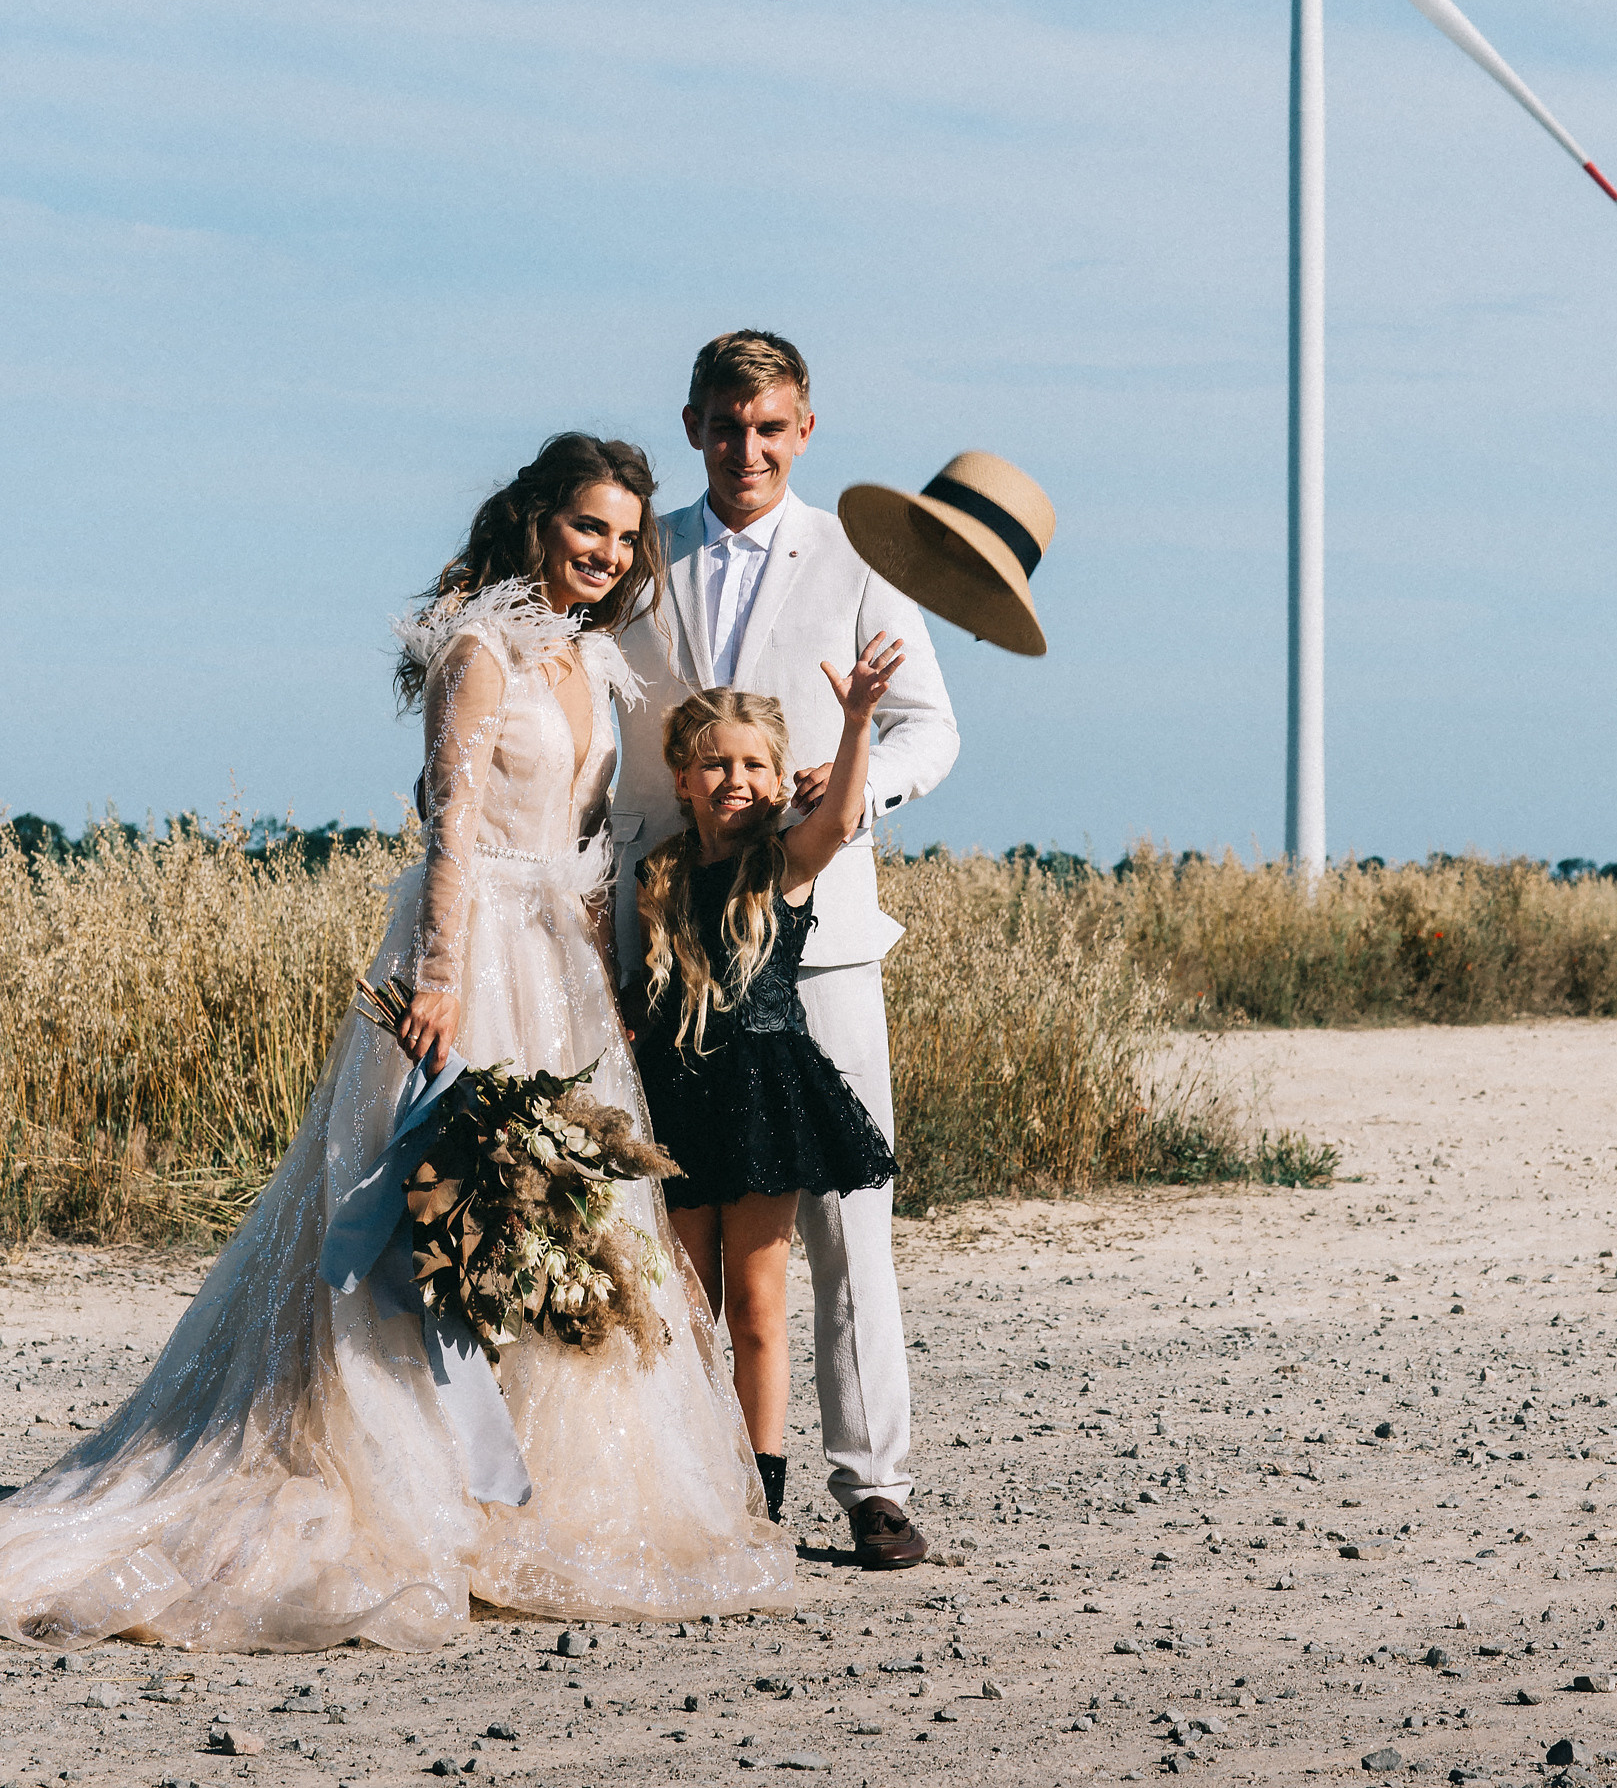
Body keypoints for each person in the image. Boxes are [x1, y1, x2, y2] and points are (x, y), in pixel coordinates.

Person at [0, 435, 794, 1650]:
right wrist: (437, 978)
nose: (608, 552)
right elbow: (452, 824)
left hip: (560, 969)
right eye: (588, 526)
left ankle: (533, 1481)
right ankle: (409, 1465)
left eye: (627, 536)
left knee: (560, 1219)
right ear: (537, 522)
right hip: (471, 953)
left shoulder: (592, 661)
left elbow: (587, 851)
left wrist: (605, 979)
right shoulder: (478, 652)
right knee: (429, 1210)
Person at [613, 330, 959, 1572]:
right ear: (692, 426)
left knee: (848, 1224)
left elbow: (928, 730)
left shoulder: (862, 558)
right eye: (724, 426)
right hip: (662, 942)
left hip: (819, 938)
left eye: (768, 428)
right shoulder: (638, 555)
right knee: (674, 1234)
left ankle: (873, 1484)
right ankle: (695, 1483)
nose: (745, 449)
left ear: (803, 429)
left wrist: (851, 795)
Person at [625, 659, 902, 1529]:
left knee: (754, 1307)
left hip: (762, 1098)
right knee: (686, 1306)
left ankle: (759, 1498)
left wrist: (856, 723)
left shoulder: (782, 865)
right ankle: (688, 1481)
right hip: (679, 1094)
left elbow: (843, 818)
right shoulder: (658, 874)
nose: (735, 780)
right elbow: (644, 994)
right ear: (682, 777)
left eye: (753, 765)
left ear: (780, 780)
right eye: (714, 763)